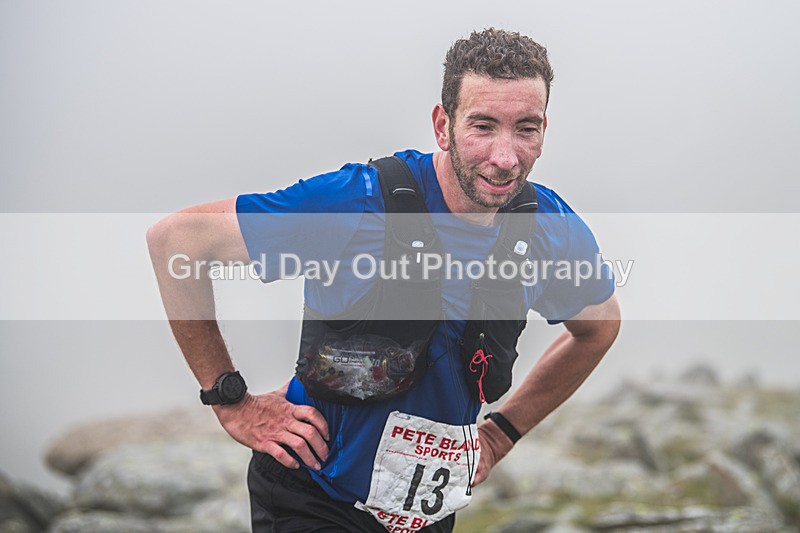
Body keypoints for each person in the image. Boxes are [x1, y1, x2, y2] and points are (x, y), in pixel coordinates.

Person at [147, 28, 621, 533]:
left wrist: (502, 434)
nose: (505, 157)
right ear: (443, 125)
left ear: (544, 128)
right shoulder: (357, 203)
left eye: (525, 129)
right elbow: (176, 242)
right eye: (482, 126)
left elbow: (599, 328)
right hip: (314, 499)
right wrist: (230, 399)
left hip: (427, 515)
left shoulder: (548, 228)